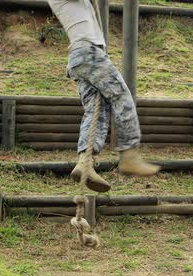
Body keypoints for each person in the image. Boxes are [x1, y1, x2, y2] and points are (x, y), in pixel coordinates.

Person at [48, 0, 160, 193]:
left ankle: (85, 162)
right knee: (122, 96)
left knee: (96, 113)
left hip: (84, 56)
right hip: (87, 53)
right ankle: (129, 154)